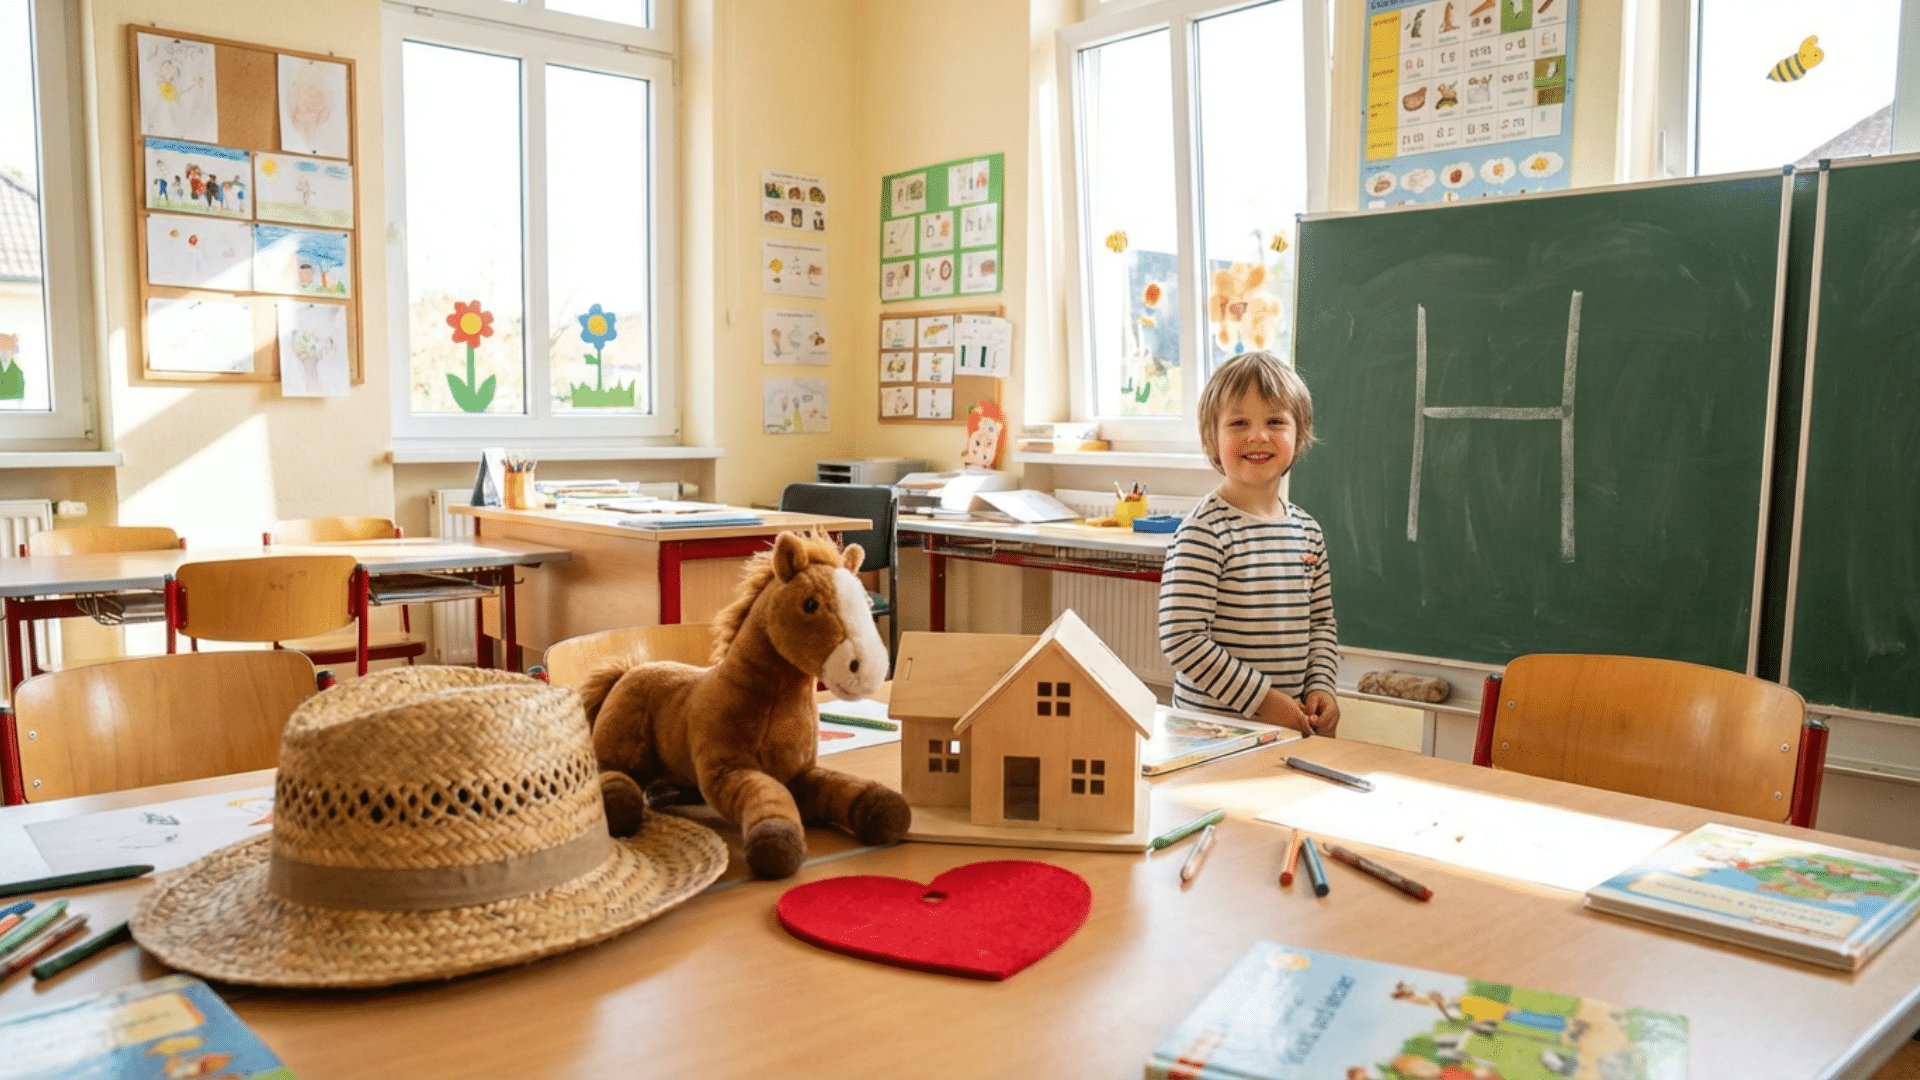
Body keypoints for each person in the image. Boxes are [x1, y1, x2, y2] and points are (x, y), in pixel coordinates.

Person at [1158, 350, 1340, 736]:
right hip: (1209, 733)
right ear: (1212, 439)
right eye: (1238, 423)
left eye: (1275, 421)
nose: (1258, 436)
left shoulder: (1308, 531)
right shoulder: (1203, 533)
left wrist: (1322, 686)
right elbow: (1183, 639)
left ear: (1299, 434)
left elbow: (1321, 623)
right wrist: (1263, 701)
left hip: (1285, 729)